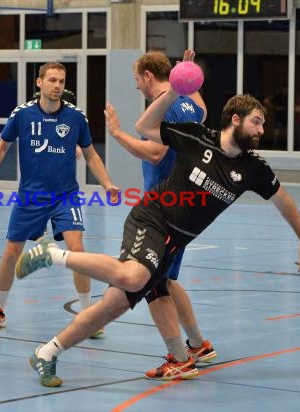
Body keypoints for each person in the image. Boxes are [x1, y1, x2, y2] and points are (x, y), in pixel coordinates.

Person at [15, 90, 300, 387]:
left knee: (113, 305)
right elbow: (145, 126)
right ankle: (51, 254)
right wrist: (173, 92)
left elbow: (283, 200)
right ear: (235, 120)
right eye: (256, 122)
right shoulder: (196, 136)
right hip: (152, 217)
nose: (261, 130)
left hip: (173, 243)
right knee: (133, 277)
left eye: (262, 124)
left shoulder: (254, 168)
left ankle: (48, 352)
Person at [0, 62, 119, 335]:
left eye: (62, 81)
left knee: (78, 251)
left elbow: (90, 154)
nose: (57, 86)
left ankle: (89, 315)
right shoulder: (22, 114)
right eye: (52, 80)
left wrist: (107, 183)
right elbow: (2, 145)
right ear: (39, 83)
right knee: (11, 252)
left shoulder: (76, 117)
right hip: (31, 195)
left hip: (66, 195)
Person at [104, 50, 215, 381]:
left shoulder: (165, 110)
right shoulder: (186, 103)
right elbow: (204, 111)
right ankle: (199, 344)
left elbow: (154, 154)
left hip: (165, 205)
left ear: (149, 77)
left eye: (137, 78)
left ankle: (179, 357)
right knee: (166, 278)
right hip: (183, 203)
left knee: (151, 282)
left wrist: (117, 134)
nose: (136, 84)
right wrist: (187, 76)